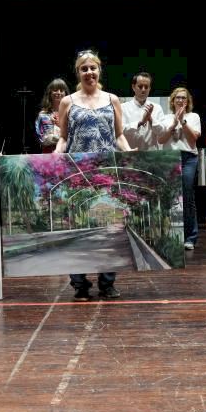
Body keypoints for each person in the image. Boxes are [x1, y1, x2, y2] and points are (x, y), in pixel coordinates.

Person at [55, 50, 132, 301]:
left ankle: (107, 283)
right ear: (78, 72)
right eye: (84, 68)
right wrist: (56, 154)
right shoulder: (67, 102)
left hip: (107, 171)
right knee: (78, 227)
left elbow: (119, 135)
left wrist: (131, 153)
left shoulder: (112, 100)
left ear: (99, 70)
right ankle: (79, 284)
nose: (89, 72)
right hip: (77, 173)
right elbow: (63, 138)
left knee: (110, 226)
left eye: (93, 68)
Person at [159, 87, 201, 251]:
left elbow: (193, 140)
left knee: (187, 195)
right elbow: (161, 140)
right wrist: (173, 124)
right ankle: (169, 236)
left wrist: (182, 121)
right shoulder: (165, 117)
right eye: (177, 97)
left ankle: (190, 237)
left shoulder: (193, 116)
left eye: (183, 97)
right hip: (169, 157)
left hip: (189, 158)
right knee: (169, 197)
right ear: (173, 100)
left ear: (187, 101)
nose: (180, 100)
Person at [122, 71, 164, 151]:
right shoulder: (123, 107)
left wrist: (150, 119)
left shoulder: (157, 108)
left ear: (150, 89)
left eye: (146, 87)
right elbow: (120, 130)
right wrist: (140, 123)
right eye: (140, 86)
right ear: (133, 87)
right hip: (130, 153)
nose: (143, 90)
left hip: (151, 155)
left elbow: (162, 132)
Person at [35, 78, 68, 153]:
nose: (59, 93)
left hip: (66, 153)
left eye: (61, 90)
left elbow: (75, 135)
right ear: (50, 93)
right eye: (55, 90)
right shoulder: (43, 115)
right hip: (48, 153)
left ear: (65, 93)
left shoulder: (70, 113)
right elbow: (40, 137)